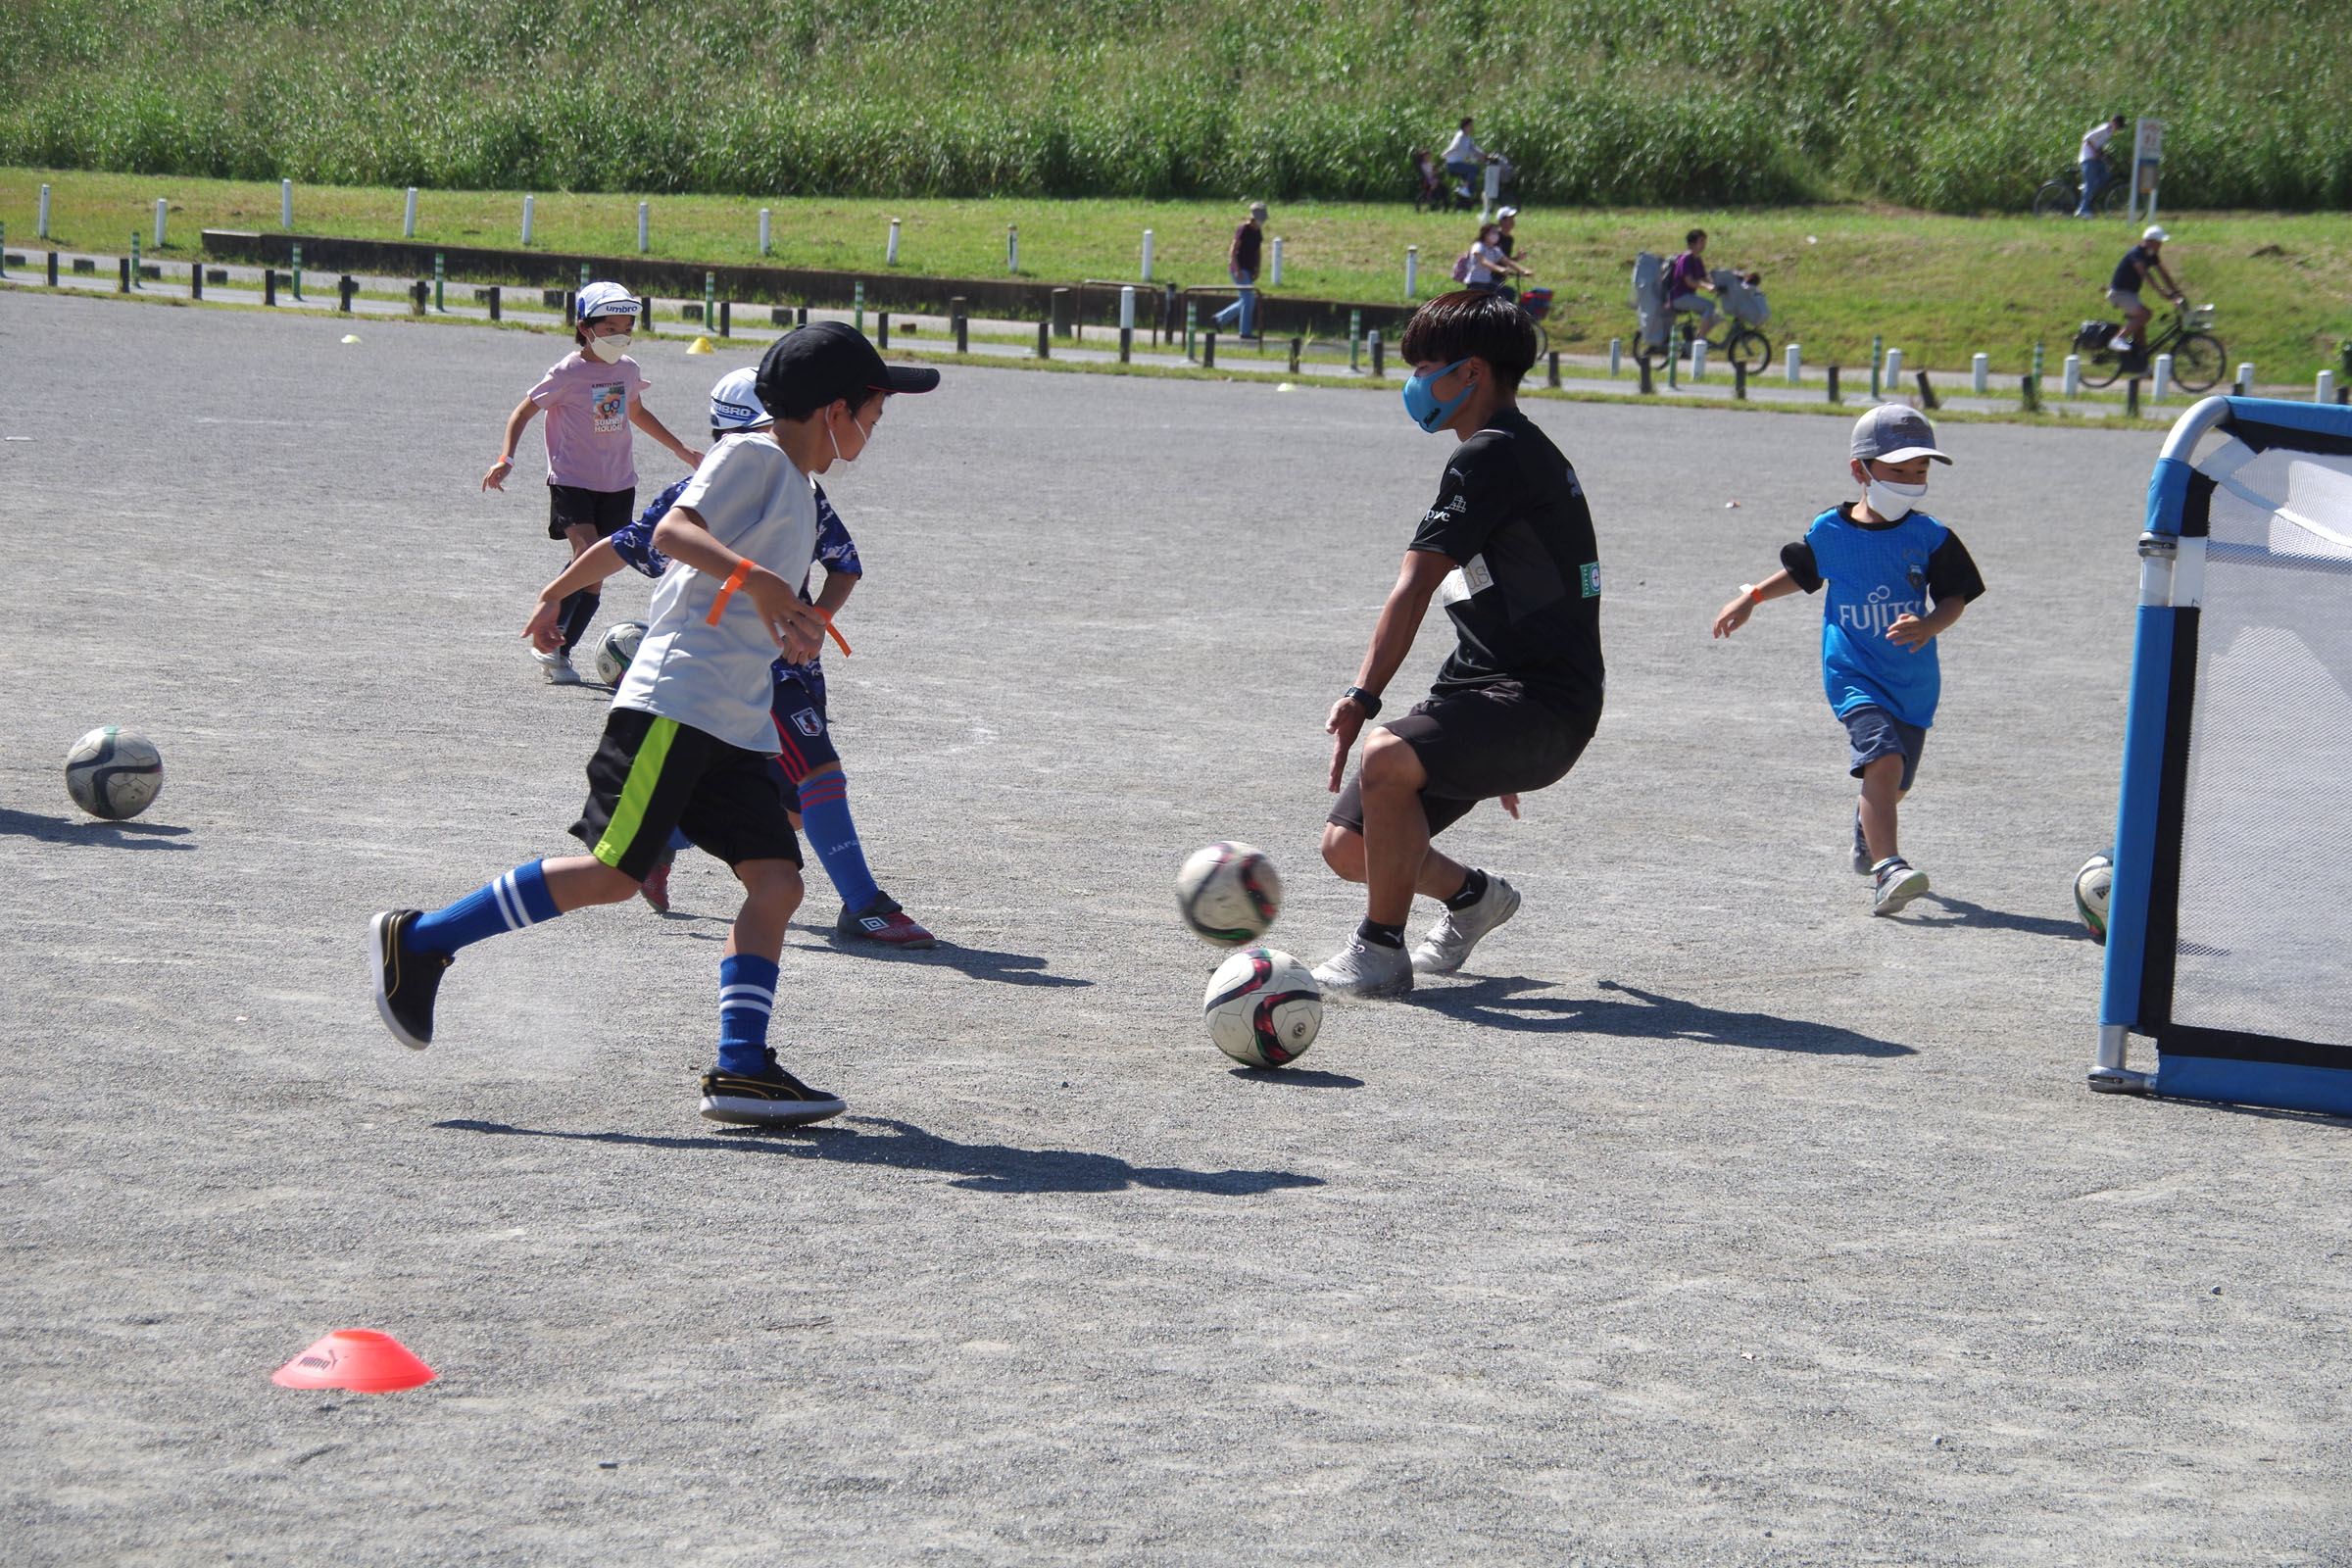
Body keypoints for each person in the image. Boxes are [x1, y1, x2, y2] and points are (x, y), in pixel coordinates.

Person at [375, 324, 940, 1127]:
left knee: (777, 883)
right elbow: (674, 533)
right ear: (836, 409)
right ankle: (423, 940)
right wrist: (765, 585)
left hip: (735, 721)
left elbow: (749, 583)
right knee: (609, 874)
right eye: (878, 408)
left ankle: (741, 1069)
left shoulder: (800, 489)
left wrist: (791, 617)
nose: (880, 425)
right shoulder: (754, 456)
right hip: (676, 704)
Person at [527, 368, 939, 949]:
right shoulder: (711, 488)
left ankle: (662, 843)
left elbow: (845, 564)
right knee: (820, 773)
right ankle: (866, 904)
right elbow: (631, 544)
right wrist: (556, 592)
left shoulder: (803, 490)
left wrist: (814, 619)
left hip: (784, 665)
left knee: (790, 806)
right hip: (743, 671)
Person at [1314, 291, 1605, 999]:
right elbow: (1513, 597)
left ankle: (1380, 952)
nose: (1413, 382)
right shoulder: (1518, 452)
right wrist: (1474, 734)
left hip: (1542, 703)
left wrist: (1362, 697)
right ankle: (1474, 898)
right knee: (1349, 848)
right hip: (1494, 692)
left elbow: (1413, 587)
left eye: (1425, 366)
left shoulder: (1492, 456)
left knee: (1385, 754)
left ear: (1471, 372)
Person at [1708, 405, 1985, 917]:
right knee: (1883, 761)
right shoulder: (1831, 531)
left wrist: (1929, 625)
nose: (1911, 482)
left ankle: (1868, 833)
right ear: (1861, 471)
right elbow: (1804, 573)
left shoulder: (1930, 536)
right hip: (1854, 675)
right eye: (1897, 471)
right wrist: (1751, 598)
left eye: (1920, 472)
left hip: (1913, 682)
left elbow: (1955, 597)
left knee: (1895, 784)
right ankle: (1889, 871)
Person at [481, 281, 704, 685]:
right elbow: (523, 412)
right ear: (585, 328)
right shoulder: (567, 373)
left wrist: (682, 449)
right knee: (586, 551)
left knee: (597, 573)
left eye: (627, 327)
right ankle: (548, 636)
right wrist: (505, 458)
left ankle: (560, 648)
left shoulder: (628, 370)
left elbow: (637, 412)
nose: (620, 336)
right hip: (572, 479)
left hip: (618, 483)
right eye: (609, 328)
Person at [2107, 225, 2184, 358]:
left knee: (2140, 329)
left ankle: (2142, 365)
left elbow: (2162, 273)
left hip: (2131, 294)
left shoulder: (2151, 255)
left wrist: (2176, 291)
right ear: (2150, 241)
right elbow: (2145, 275)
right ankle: (2117, 339)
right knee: (2145, 315)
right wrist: (2161, 292)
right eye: (2158, 242)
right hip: (2120, 293)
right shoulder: (2136, 253)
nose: (2160, 245)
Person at [1213, 202, 1267, 340]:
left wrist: (1258, 269)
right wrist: (1236, 269)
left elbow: (1257, 252)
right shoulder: (1244, 229)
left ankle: (1219, 319)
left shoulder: (1258, 233)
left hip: (1248, 269)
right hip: (1238, 268)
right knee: (1249, 300)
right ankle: (1244, 332)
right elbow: (1233, 249)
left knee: (1245, 300)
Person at [1663, 228, 1716, 334]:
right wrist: (1707, 286)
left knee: (1716, 316)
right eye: (1701, 241)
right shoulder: (1685, 259)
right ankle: (1700, 339)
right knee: (1710, 306)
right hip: (1678, 297)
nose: (1704, 244)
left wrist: (1718, 284)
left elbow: (1705, 277)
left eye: (1704, 241)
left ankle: (1694, 339)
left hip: (1688, 297)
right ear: (1692, 244)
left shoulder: (1697, 259)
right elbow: (1690, 282)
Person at [1461, 222, 1529, 301]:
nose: (1495, 235)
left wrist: (1523, 270)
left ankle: (1506, 313)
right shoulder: (1478, 246)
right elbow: (1484, 262)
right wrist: (1500, 269)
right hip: (1475, 283)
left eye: (1496, 232)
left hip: (1487, 282)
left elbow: (1507, 261)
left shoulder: (1495, 250)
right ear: (1485, 234)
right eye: (1493, 232)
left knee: (1510, 292)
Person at [2077, 115, 2127, 217]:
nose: (2118, 129)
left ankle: (2087, 189)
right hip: (2088, 158)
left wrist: (2104, 155)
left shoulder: (2109, 133)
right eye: (2118, 126)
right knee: (2090, 185)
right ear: (2113, 123)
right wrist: (2095, 152)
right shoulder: (2104, 129)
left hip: (2096, 159)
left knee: (2105, 178)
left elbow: (2098, 144)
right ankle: (2083, 210)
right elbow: (2087, 138)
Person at [1441, 118, 1485, 193]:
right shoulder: (1460, 136)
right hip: (1453, 164)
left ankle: (1464, 196)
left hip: (1459, 163)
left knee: (1472, 181)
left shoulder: (1467, 136)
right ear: (1465, 127)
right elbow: (1460, 148)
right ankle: (1463, 187)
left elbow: (1472, 147)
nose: (1472, 127)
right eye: (1470, 125)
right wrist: (1477, 158)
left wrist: (1483, 154)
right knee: (1475, 169)